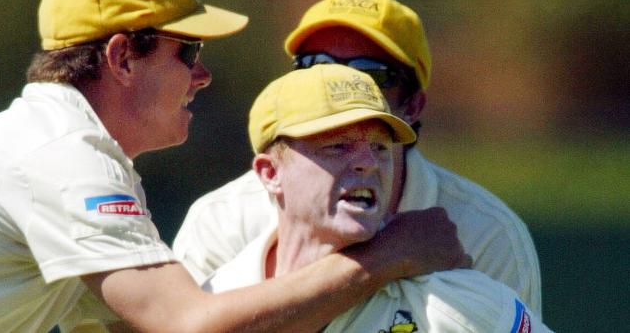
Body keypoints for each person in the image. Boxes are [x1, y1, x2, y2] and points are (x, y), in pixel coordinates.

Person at [0, 0, 469, 333]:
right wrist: (388, 256)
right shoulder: (67, 160)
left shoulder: (58, 145)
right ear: (122, 58)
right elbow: (188, 325)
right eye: (188, 52)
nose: (202, 75)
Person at [173, 0, 543, 316]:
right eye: (313, 65)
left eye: (371, 72)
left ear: (413, 106)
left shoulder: (488, 234)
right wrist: (388, 256)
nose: (339, 84)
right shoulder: (221, 221)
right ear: (269, 172)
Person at [200, 63, 552, 332]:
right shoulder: (213, 299)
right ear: (271, 174)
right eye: (338, 147)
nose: (369, 164)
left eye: (380, 147)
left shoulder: (460, 300)